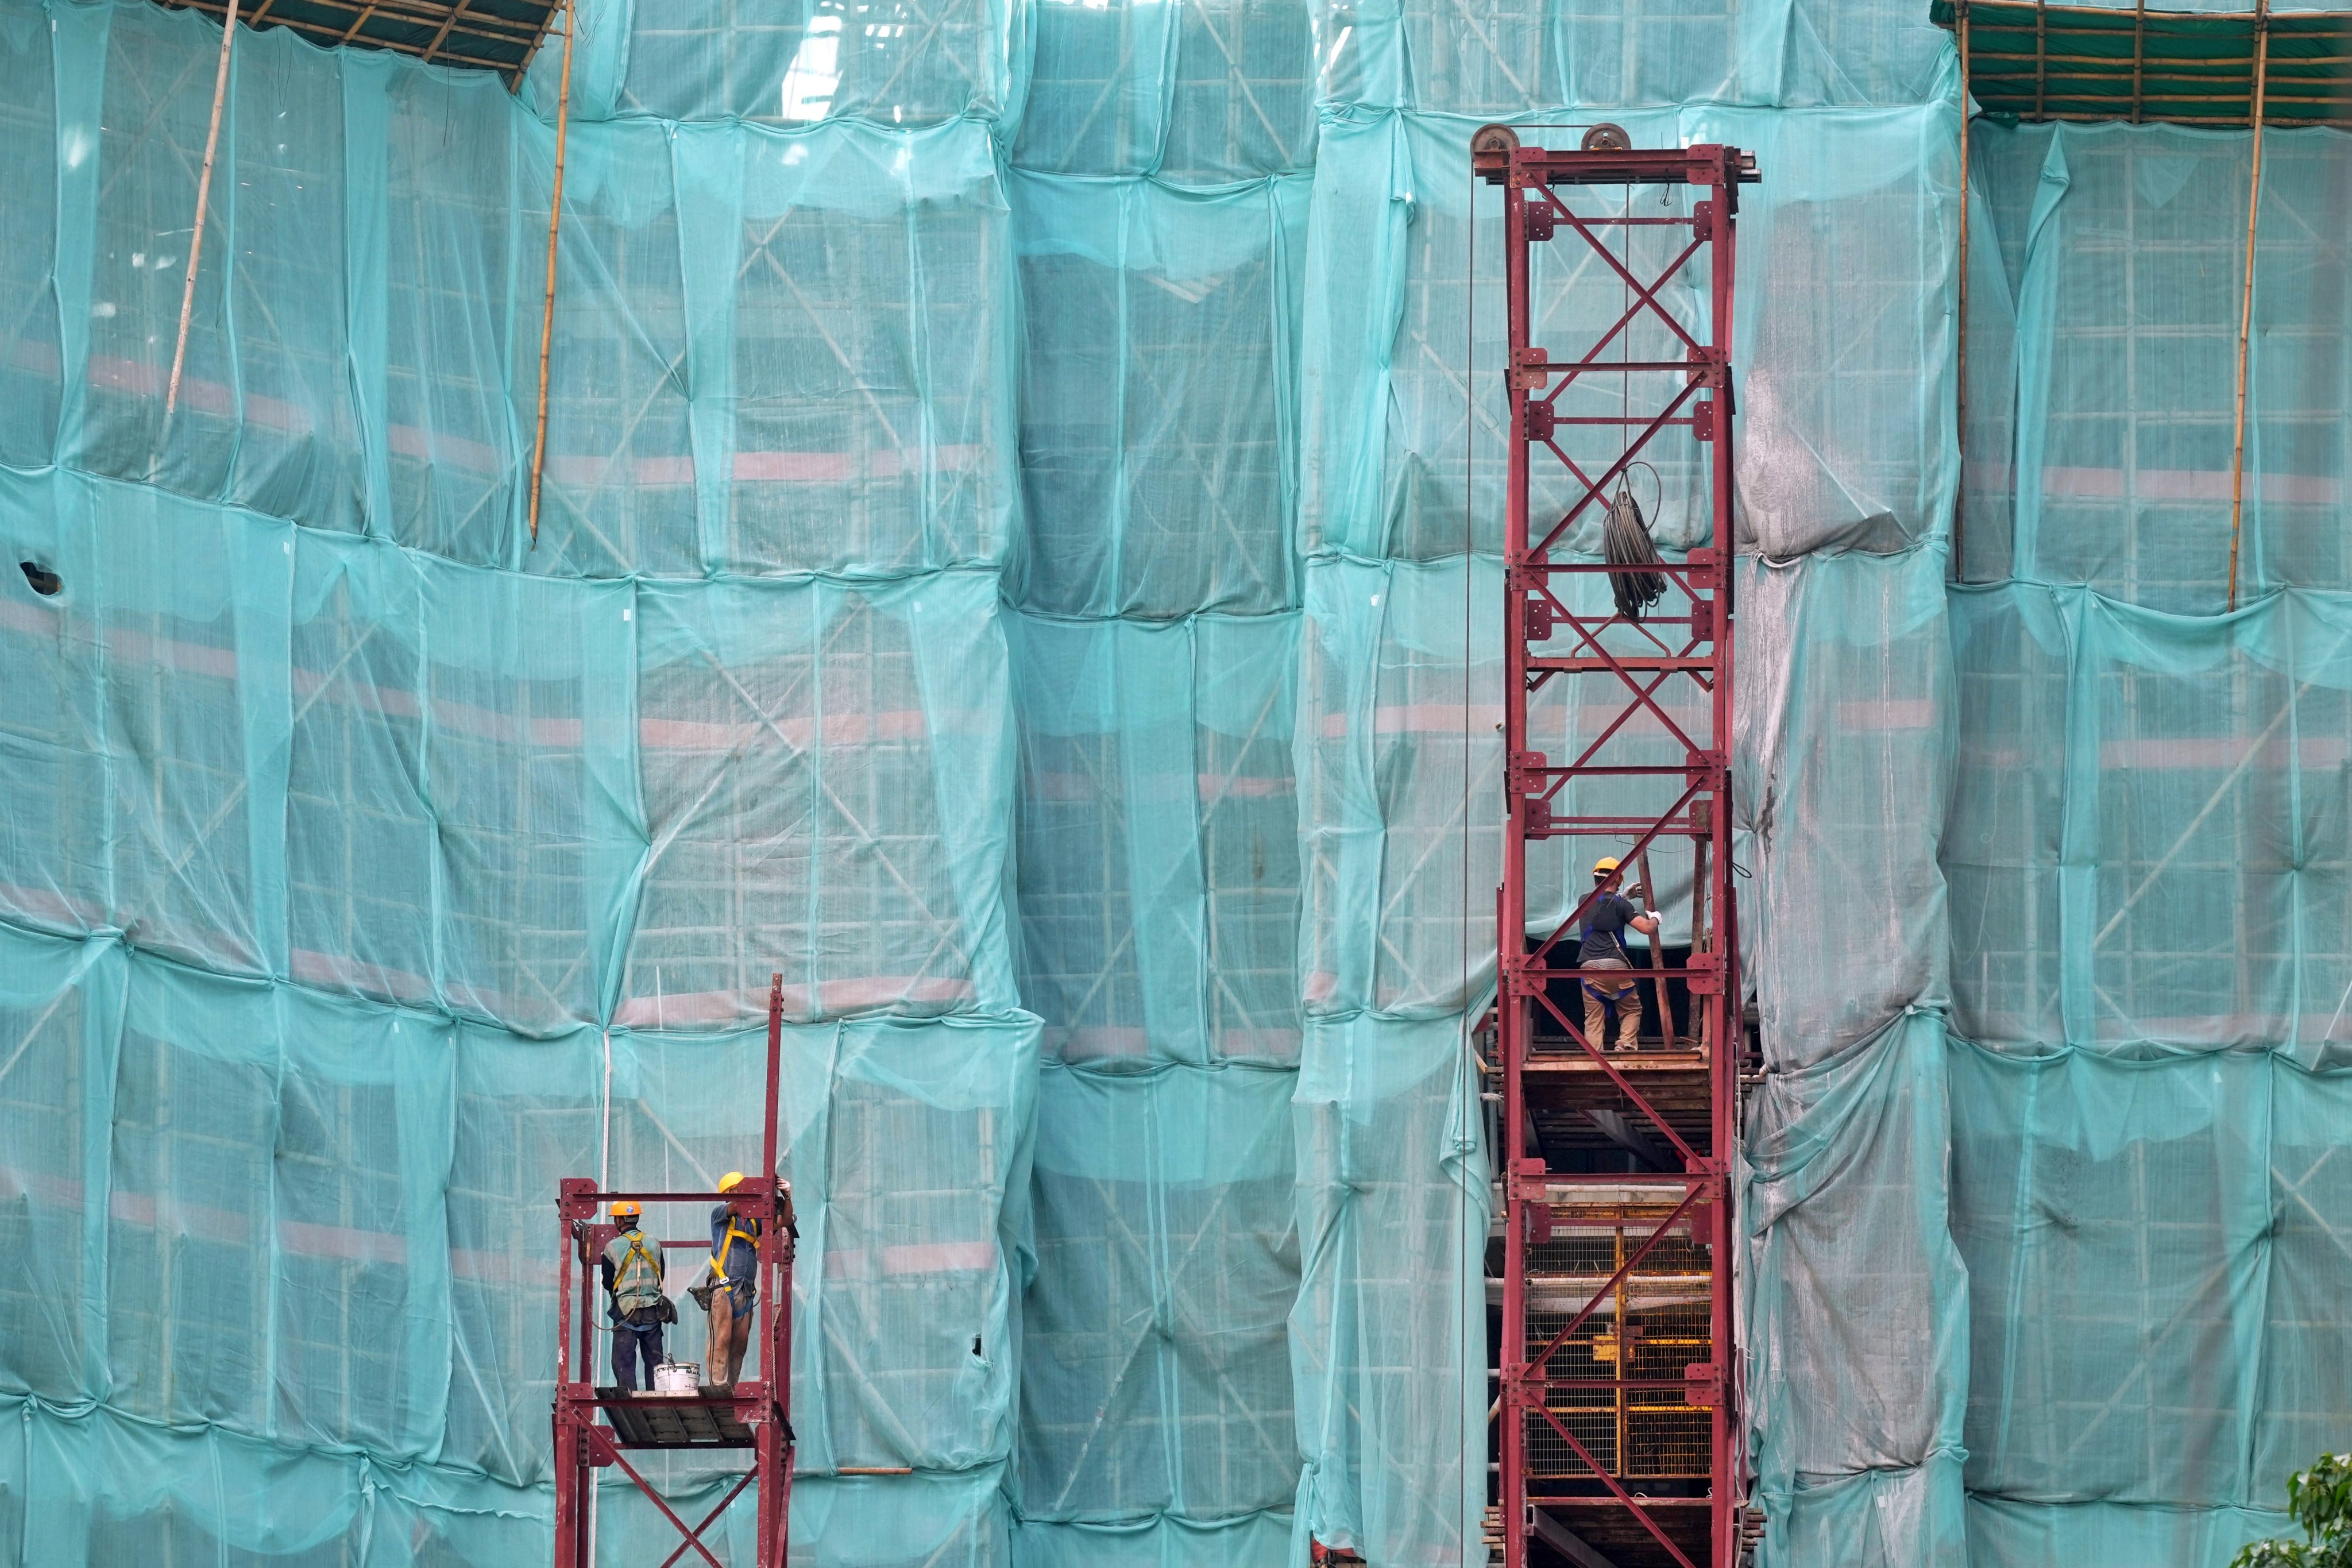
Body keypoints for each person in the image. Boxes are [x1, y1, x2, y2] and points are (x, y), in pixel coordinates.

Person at [1580, 856, 1659, 1052]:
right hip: (1615, 967)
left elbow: (1602, 908)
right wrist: (1656, 919)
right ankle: (1625, 1045)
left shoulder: (1583, 901)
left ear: (1595, 879)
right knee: (1632, 1009)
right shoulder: (1622, 906)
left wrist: (1622, 896)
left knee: (1593, 1016)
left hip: (1589, 969)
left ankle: (1594, 1056)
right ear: (1618, 879)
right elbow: (1647, 928)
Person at [598, 1201, 670, 1392]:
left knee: (624, 1363)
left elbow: (607, 1283)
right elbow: (660, 1275)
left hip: (626, 1312)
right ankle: (656, 1401)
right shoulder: (654, 1243)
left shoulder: (612, 1247)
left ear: (621, 1220)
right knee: (656, 1364)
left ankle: (629, 1403)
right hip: (652, 1311)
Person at [706, 1172, 761, 1389]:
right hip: (724, 1289)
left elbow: (783, 1220)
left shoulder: (754, 1224)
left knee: (740, 1346)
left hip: (745, 1292)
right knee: (721, 1340)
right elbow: (736, 1206)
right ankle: (717, 1389)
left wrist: (785, 1197)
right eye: (740, 1189)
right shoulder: (720, 1215)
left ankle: (730, 1388)